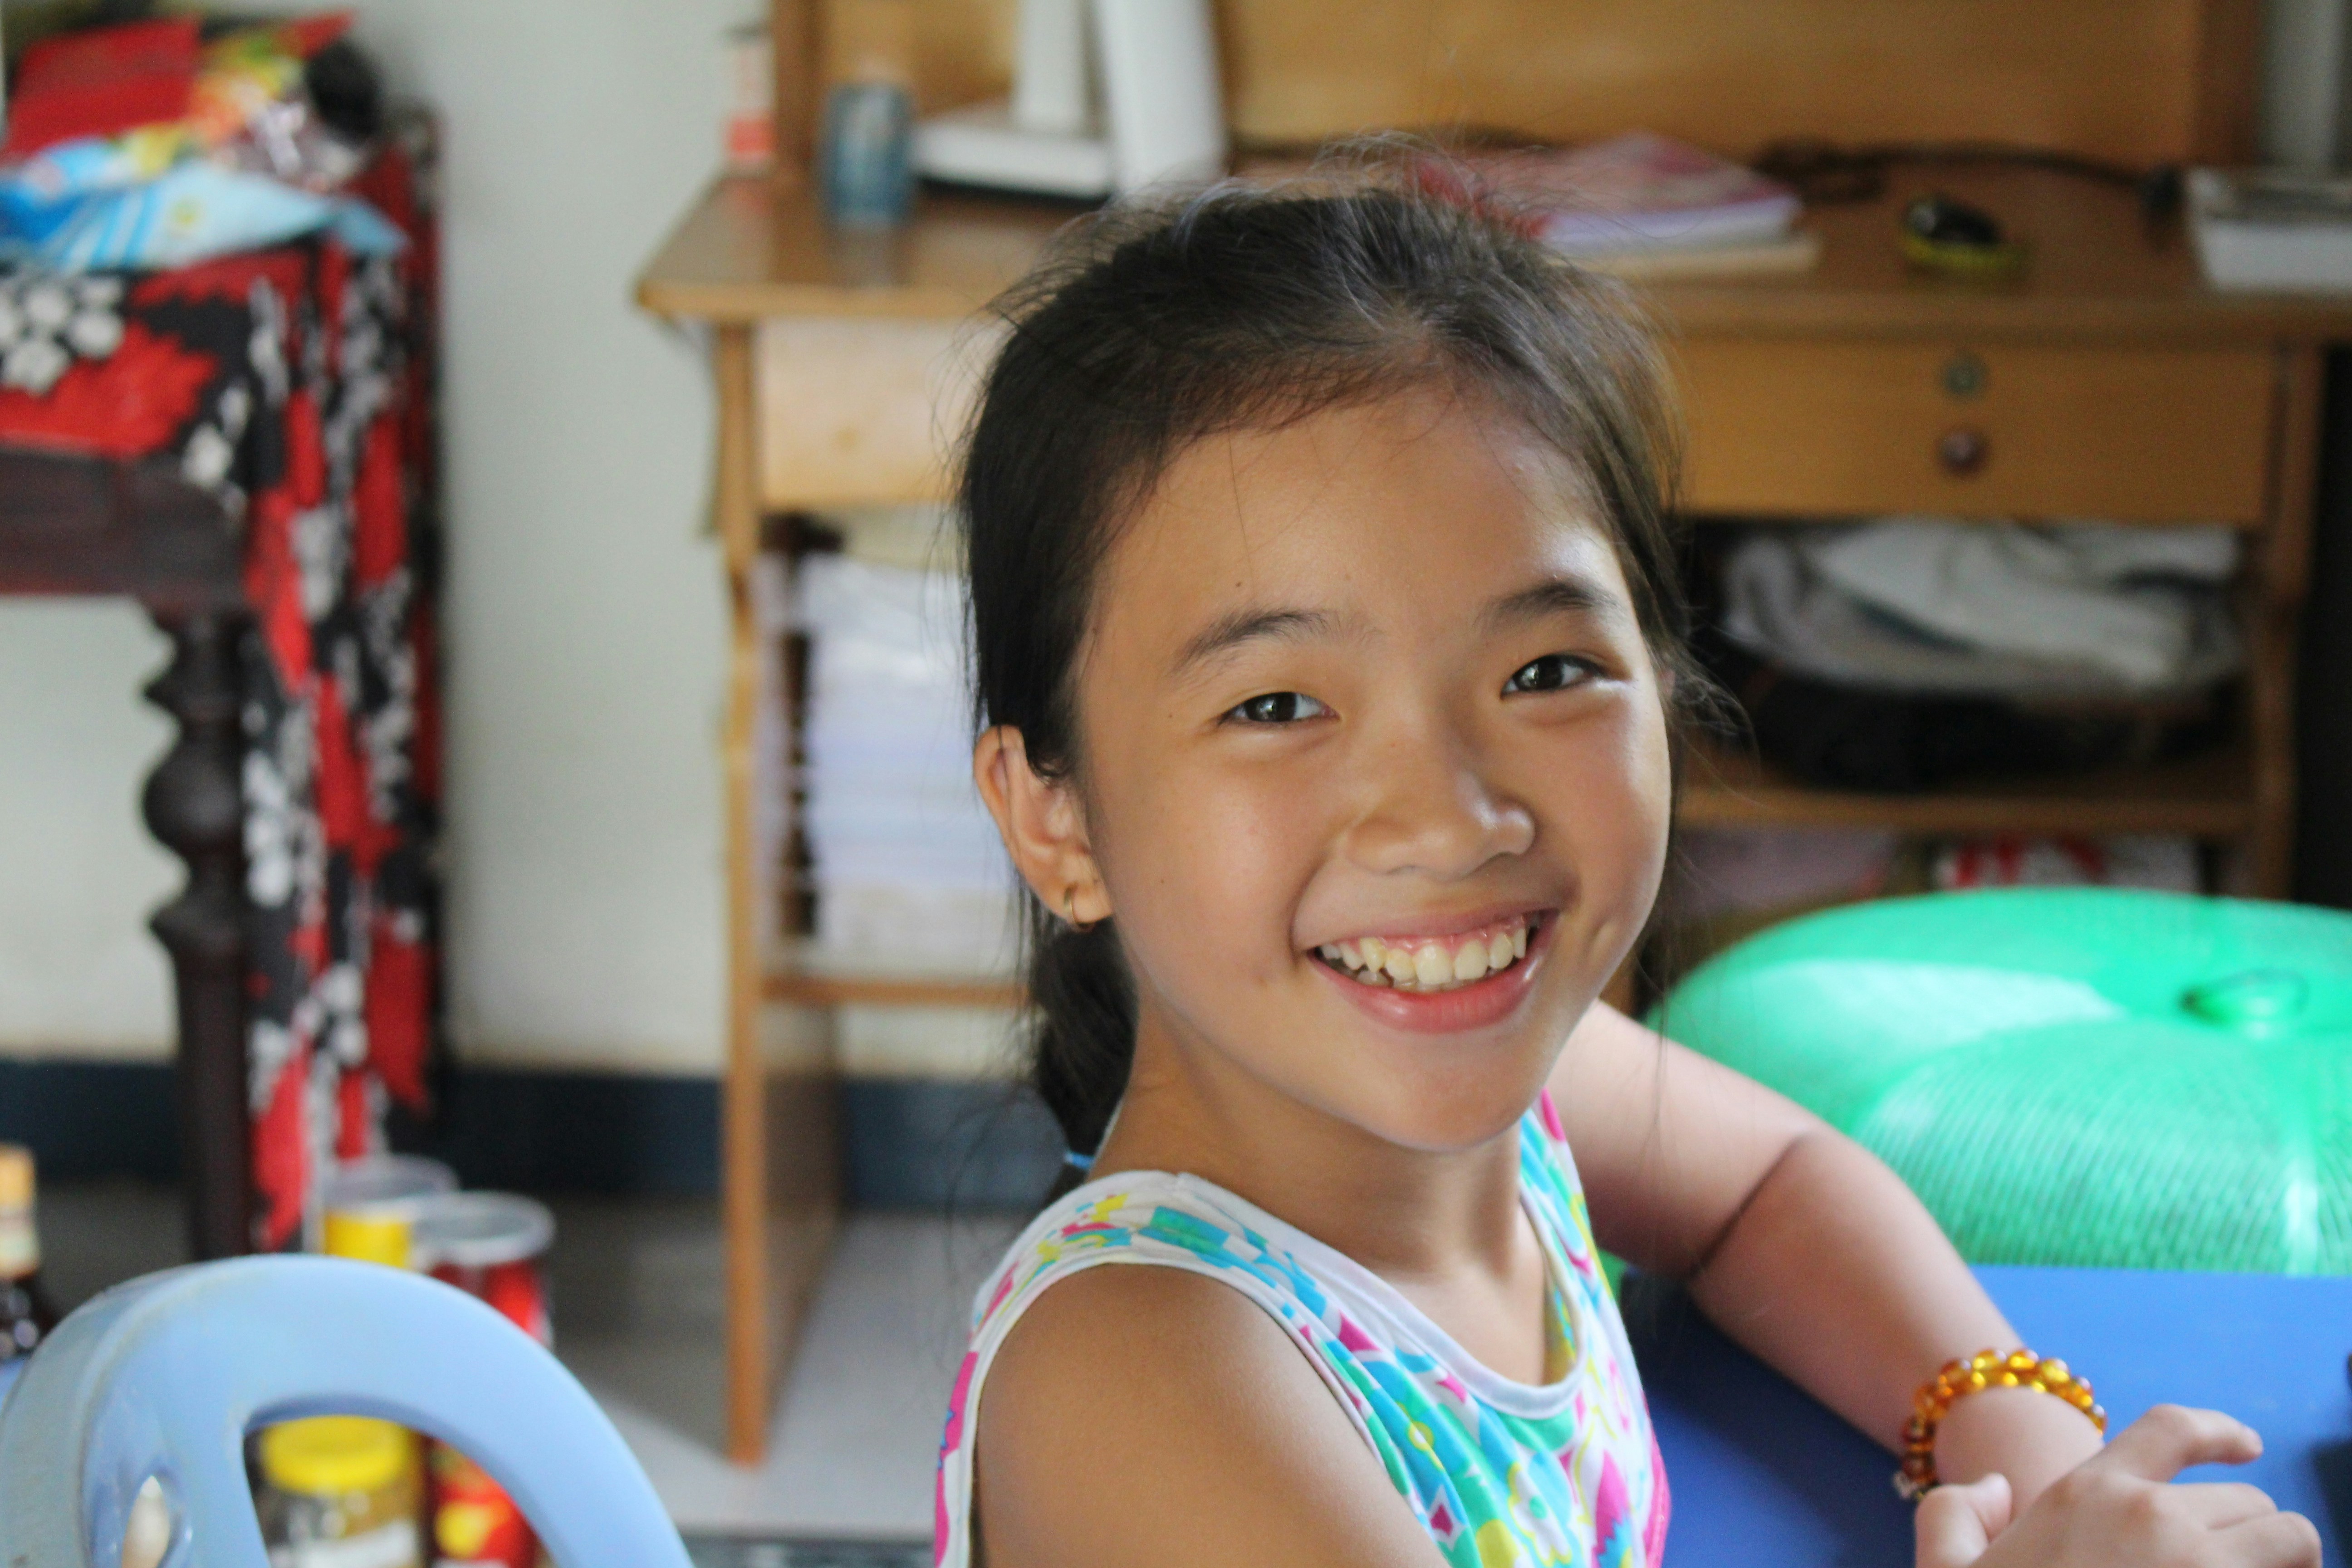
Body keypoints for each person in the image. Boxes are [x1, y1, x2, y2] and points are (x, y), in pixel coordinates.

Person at [932, 171, 2320, 1568]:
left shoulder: (1506, 1089)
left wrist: (2023, 1447)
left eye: (1545, 672)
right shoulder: (1139, 1376)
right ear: (1058, 824)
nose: (1452, 822)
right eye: (1277, 705)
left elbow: (1772, 1185)